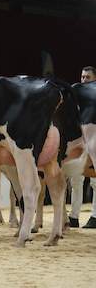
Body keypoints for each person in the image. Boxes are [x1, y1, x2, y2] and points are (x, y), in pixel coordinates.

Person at [69, 66, 96, 228]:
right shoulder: (76, 94)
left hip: (93, 139)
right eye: (82, 77)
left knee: (94, 180)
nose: (84, 80)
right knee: (75, 179)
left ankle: (94, 216)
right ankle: (74, 216)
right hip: (79, 140)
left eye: (88, 77)